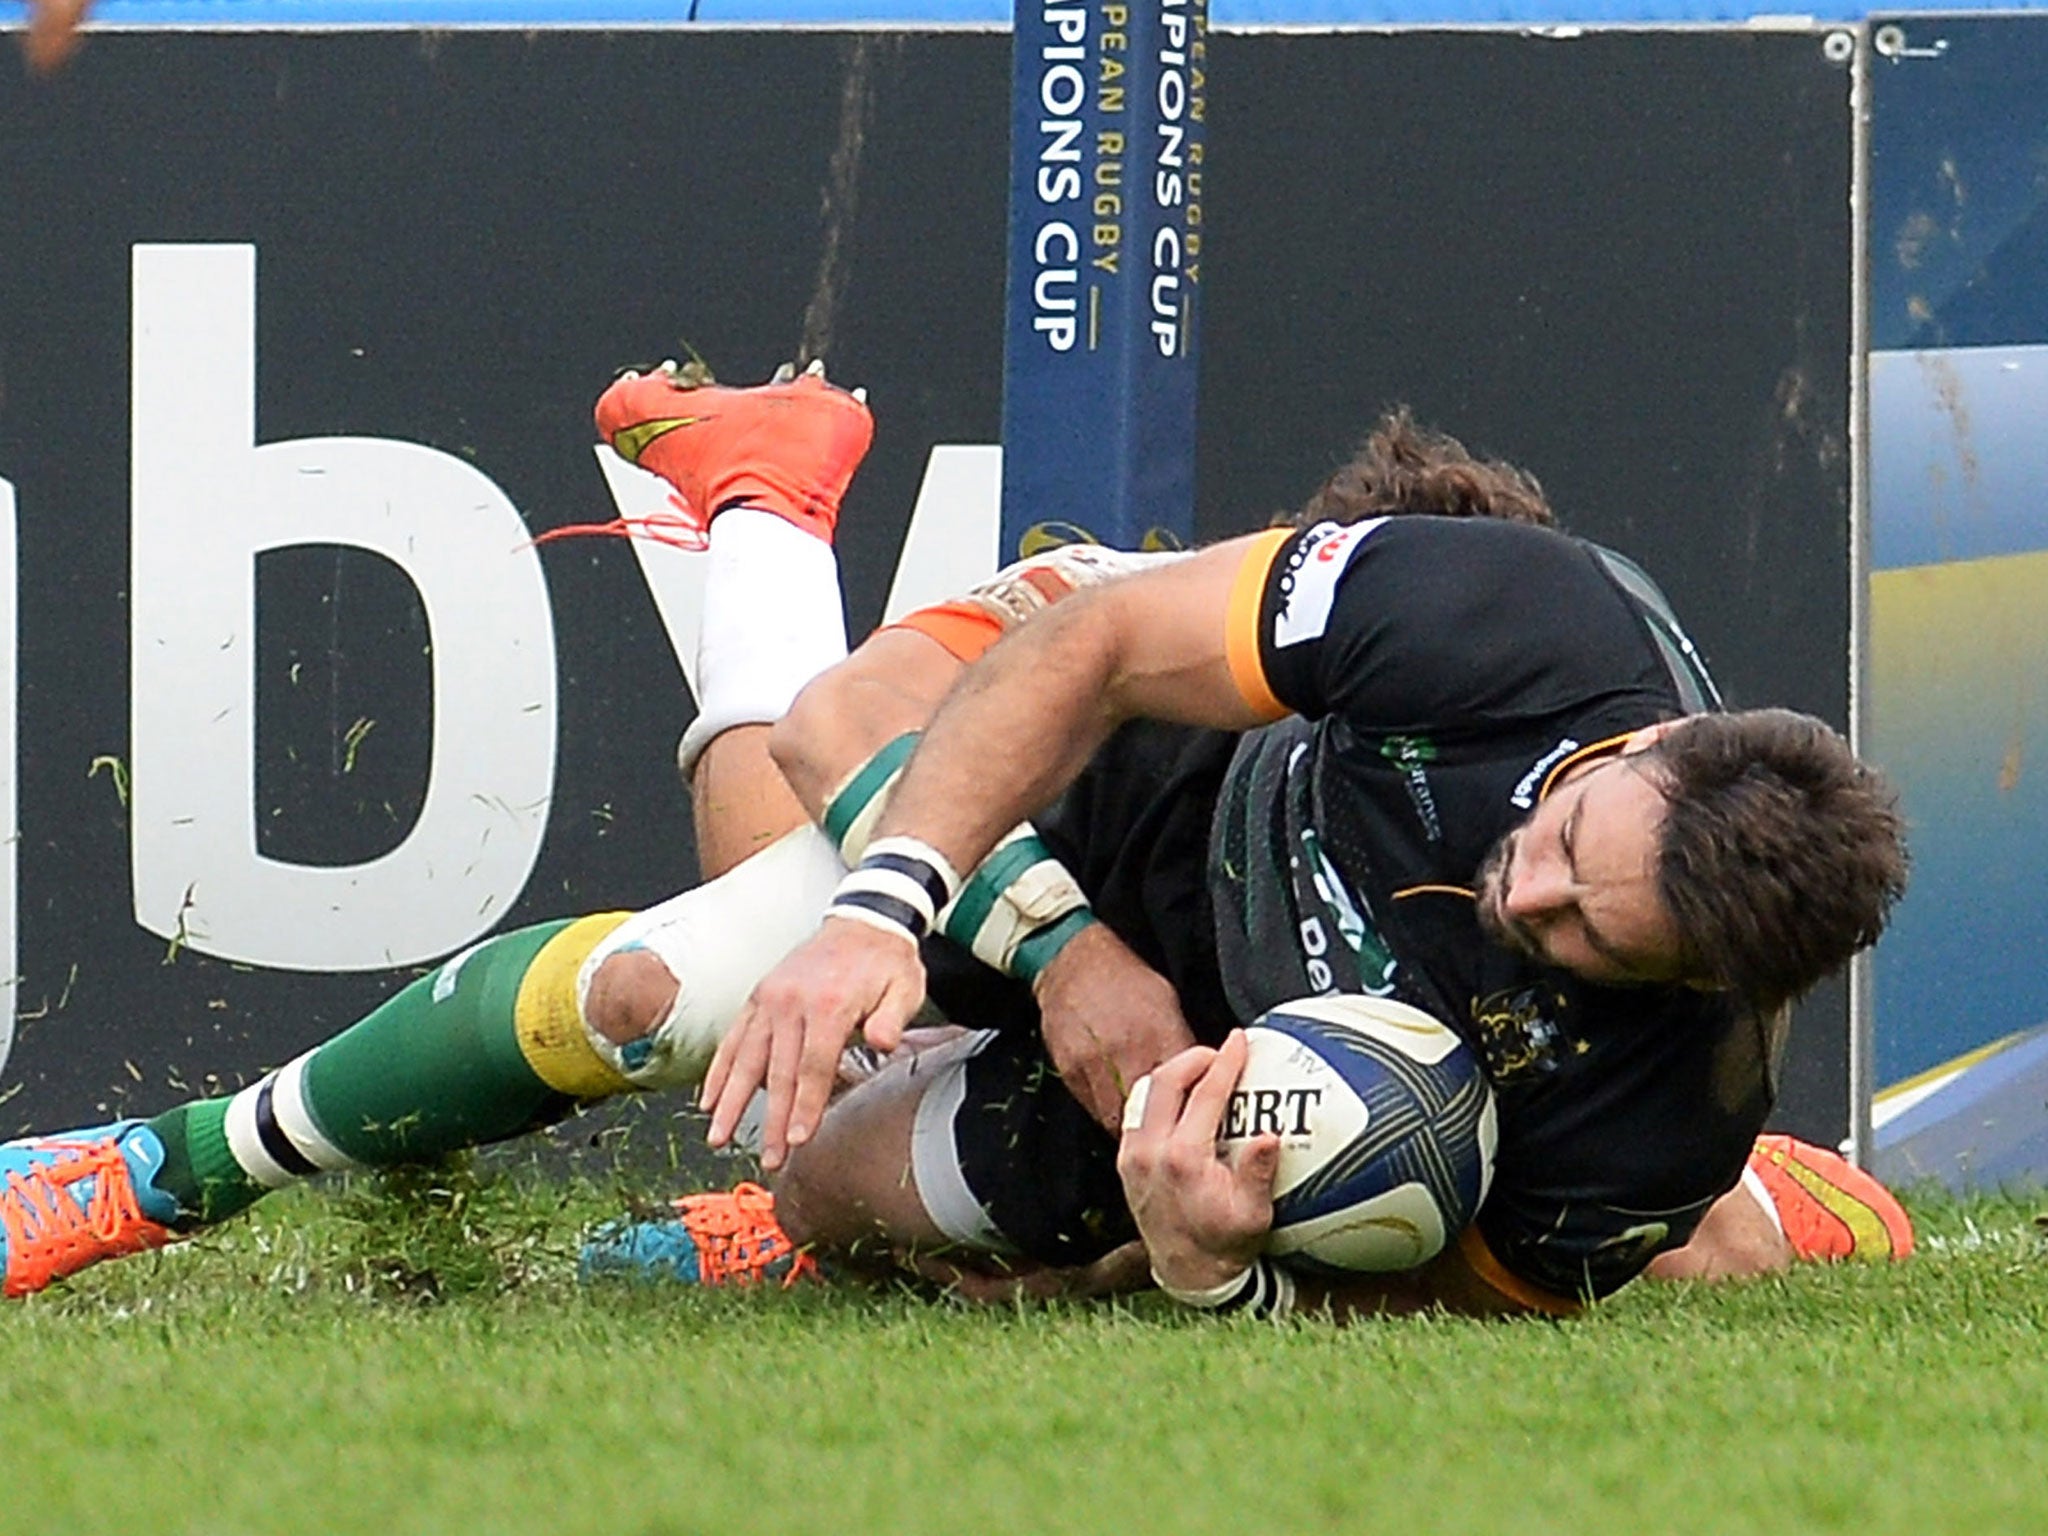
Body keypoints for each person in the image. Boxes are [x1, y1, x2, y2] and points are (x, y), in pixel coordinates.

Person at [0, 363, 1909, 1309]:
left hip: (1205, 1061)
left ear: (1693, 990)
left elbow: (1447, 1313)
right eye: (1567, 829)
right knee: (710, 942)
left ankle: (754, 497)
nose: (1527, 886)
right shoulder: (1529, 625)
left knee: (833, 1195)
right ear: (1633, 738)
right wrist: (1022, 943)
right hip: (1118, 761)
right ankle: (155, 1170)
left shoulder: (1660, 1099)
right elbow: (1088, 653)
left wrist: (1215, 1260)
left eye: (1582, 932)